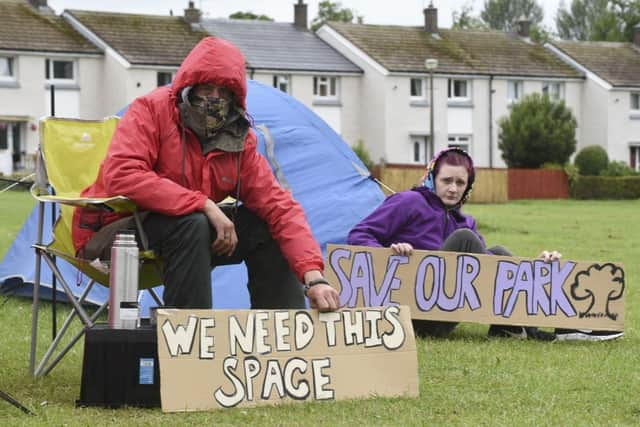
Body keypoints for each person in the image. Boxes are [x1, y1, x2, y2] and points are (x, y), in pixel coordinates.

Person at [71, 36, 340, 312]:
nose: (214, 98)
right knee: (194, 223)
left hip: (188, 235)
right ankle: (189, 341)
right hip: (114, 231)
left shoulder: (238, 138)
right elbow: (122, 174)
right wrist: (202, 203)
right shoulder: (150, 110)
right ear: (189, 86)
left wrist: (313, 277)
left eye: (223, 91)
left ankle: (279, 340)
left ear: (235, 97)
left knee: (266, 226)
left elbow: (279, 207)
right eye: (207, 87)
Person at [348, 147, 622, 341]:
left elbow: (488, 271)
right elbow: (359, 235)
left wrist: (535, 268)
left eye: (460, 183)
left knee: (498, 252)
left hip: (446, 317)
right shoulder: (408, 202)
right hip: (411, 316)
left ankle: (515, 328)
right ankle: (525, 328)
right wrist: (389, 252)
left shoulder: (465, 222)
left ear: (468, 186)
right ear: (432, 178)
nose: (453, 189)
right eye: (446, 181)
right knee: (466, 241)